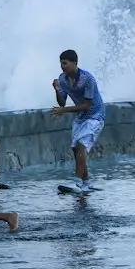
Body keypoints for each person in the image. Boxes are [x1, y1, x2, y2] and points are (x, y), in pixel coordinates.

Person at [52, 50, 104, 188]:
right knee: (76, 149)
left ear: (75, 63)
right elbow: (62, 102)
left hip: (95, 116)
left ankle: (77, 183)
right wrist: (57, 89)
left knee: (81, 145)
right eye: (61, 63)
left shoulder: (87, 79)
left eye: (65, 63)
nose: (63, 66)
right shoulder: (63, 79)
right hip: (81, 117)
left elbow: (87, 105)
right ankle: (85, 184)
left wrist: (64, 111)